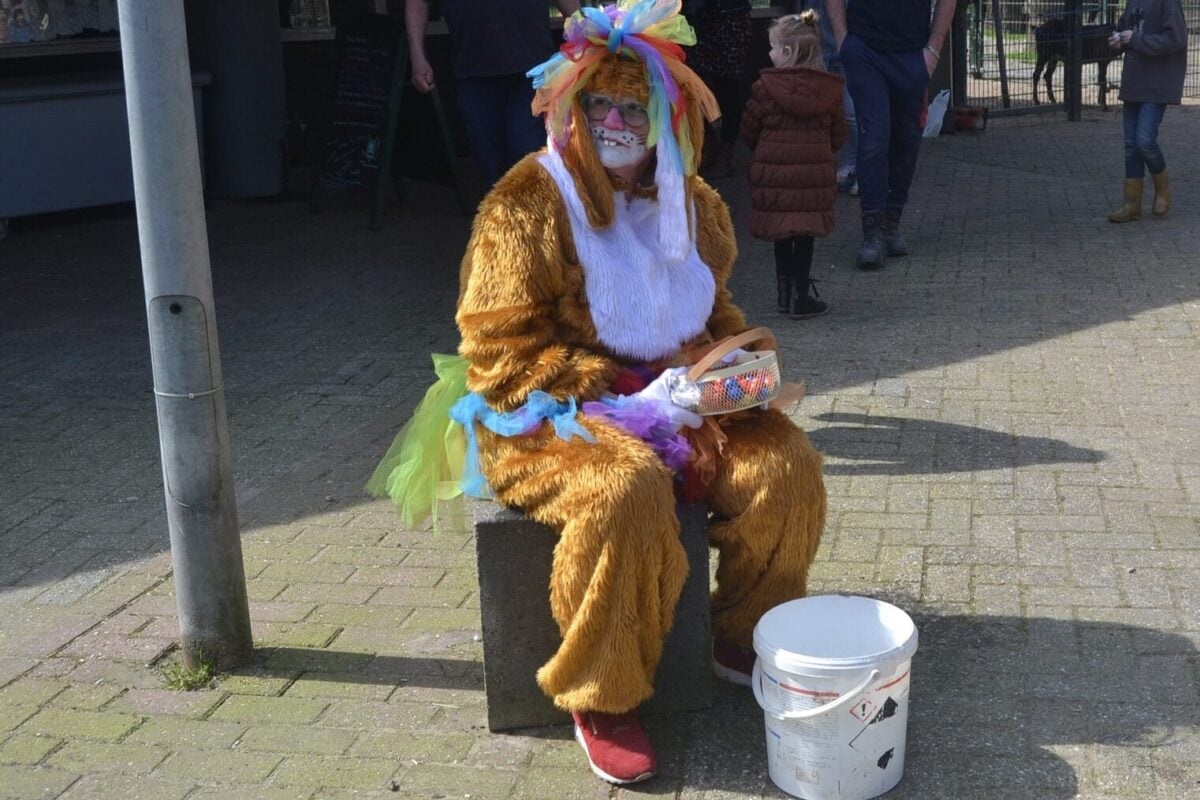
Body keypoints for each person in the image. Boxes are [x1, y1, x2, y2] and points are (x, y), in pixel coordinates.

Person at [371, 0, 827, 785]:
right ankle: (602, 693)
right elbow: (498, 359)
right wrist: (629, 394)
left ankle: (740, 635)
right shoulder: (525, 203)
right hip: (542, 412)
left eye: (635, 106)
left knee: (786, 466)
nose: (616, 121)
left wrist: (719, 375)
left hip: (673, 399)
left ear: (667, 116)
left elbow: (713, 313)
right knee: (625, 489)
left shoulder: (699, 206)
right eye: (600, 104)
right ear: (572, 105)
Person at [825, 0, 957, 269]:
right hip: (865, 50)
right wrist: (844, 41)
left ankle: (891, 223)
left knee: (907, 142)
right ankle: (872, 231)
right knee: (874, 138)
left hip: (912, 54)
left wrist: (933, 49)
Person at [404, 0, 580, 187]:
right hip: (473, 72)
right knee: (490, 163)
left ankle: (532, 211)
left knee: (527, 152)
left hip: (532, 71)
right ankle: (504, 213)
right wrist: (417, 56)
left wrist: (589, 33)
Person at [741, 11, 846, 320]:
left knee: (782, 233)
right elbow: (838, 134)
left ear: (787, 52)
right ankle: (801, 295)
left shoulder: (763, 88)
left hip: (775, 177)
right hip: (814, 178)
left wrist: (764, 153)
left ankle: (783, 291)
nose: (769, 52)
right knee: (805, 235)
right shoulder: (828, 91)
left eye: (772, 46)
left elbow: (749, 129)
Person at [1105, 0, 1188, 223]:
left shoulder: (1168, 3)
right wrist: (1118, 39)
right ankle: (1132, 204)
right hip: (1133, 81)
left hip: (1157, 83)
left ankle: (1163, 190)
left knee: (1144, 140)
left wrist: (1136, 39)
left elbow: (1176, 39)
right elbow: (1125, 29)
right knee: (1131, 145)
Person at [686, 0, 753, 179]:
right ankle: (705, 146)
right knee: (697, 84)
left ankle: (726, 150)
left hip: (729, 16)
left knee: (728, 84)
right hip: (698, 17)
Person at [799, 0, 858, 193]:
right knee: (818, 109)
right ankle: (824, 167)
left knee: (852, 113)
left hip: (845, 44)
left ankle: (856, 165)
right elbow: (806, 12)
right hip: (820, 44)